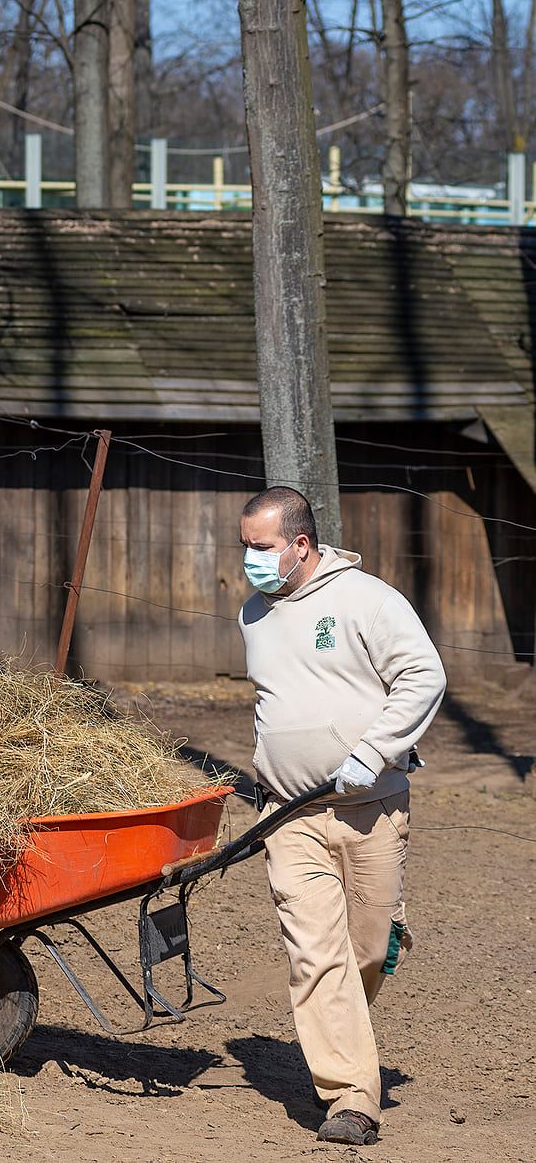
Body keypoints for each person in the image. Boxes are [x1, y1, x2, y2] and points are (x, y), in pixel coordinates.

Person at [237, 485, 445, 1147]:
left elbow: (423, 676)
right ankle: (353, 1097)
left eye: (261, 548)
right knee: (316, 956)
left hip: (370, 808)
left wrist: (372, 752)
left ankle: (365, 985)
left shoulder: (368, 601)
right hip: (289, 816)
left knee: (367, 950)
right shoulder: (253, 614)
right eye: (244, 548)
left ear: (301, 544)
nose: (250, 561)